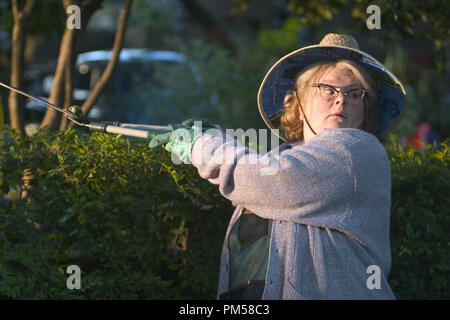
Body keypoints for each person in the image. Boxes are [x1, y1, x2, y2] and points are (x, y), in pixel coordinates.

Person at [149, 33, 407, 299]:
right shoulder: (286, 156)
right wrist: (215, 138)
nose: (341, 99)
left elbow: (275, 180)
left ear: (365, 108)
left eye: (355, 93)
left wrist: (201, 146)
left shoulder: (360, 151)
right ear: (301, 100)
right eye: (328, 90)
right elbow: (258, 173)